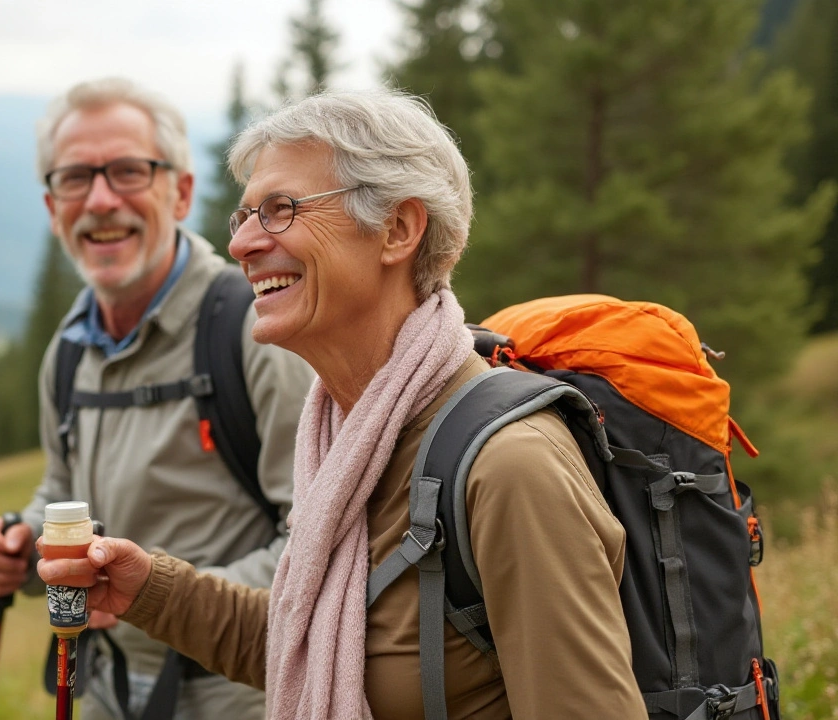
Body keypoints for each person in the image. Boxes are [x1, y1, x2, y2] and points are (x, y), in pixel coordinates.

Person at [36, 88, 650, 720]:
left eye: (280, 210)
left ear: (398, 229)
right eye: (244, 216)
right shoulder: (346, 434)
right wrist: (151, 590)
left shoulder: (510, 470)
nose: (244, 243)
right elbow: (316, 645)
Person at [0, 78, 314, 720]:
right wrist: (19, 538)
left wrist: (150, 598)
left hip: (240, 696)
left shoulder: (253, 330)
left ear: (178, 192)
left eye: (128, 171)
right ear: (52, 206)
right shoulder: (69, 352)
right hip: (104, 691)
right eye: (74, 178)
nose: (100, 200)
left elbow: (316, 546)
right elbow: (62, 489)